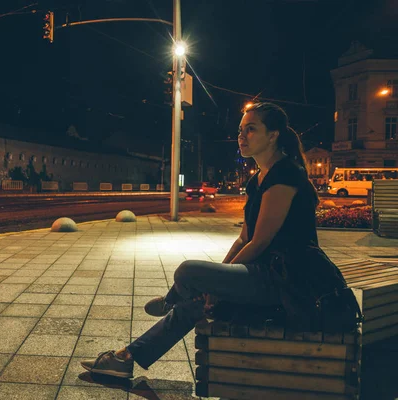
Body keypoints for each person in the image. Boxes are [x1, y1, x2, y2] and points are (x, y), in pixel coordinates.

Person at [80, 102, 359, 379]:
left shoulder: (285, 175)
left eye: (251, 129)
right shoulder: (257, 181)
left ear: (273, 135)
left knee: (187, 271)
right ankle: (127, 358)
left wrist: (216, 284)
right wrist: (217, 281)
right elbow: (243, 239)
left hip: (289, 279)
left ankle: (170, 300)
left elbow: (260, 242)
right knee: (197, 302)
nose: (242, 136)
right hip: (262, 274)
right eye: (240, 130)